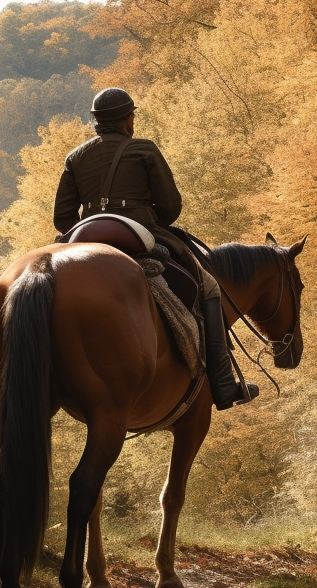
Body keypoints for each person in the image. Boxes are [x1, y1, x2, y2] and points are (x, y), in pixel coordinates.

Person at [53, 87, 258, 410]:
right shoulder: (144, 150)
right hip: (136, 234)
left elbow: (62, 217)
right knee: (209, 288)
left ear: (97, 122)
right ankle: (223, 384)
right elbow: (170, 206)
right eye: (132, 116)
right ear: (127, 120)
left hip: (85, 237)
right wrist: (148, 222)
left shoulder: (75, 157)